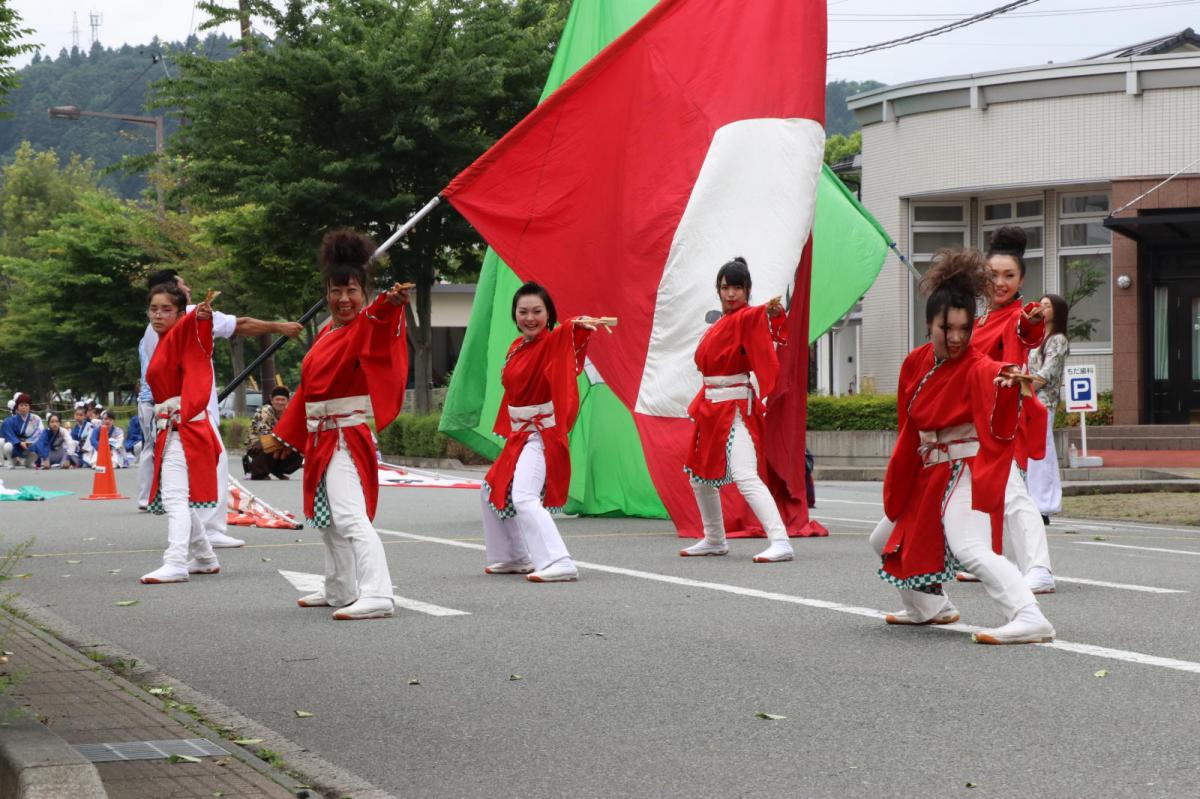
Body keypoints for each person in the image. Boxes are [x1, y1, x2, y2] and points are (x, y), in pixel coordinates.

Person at [869, 247, 1055, 645]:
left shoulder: (976, 364)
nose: (955, 338)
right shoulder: (914, 362)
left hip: (964, 467)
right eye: (946, 328)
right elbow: (908, 427)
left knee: (969, 546)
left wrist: (1009, 382)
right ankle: (929, 607)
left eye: (963, 329)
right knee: (883, 538)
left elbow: (997, 368)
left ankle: (1028, 614)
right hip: (928, 470)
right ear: (928, 325)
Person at [272, 229, 409, 620]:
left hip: (346, 435)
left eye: (352, 291)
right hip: (320, 435)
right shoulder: (326, 334)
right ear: (326, 294)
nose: (344, 298)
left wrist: (390, 303)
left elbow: (380, 319)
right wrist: (285, 435)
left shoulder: (366, 324)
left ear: (364, 294)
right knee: (328, 519)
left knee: (349, 515)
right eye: (336, 291)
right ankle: (340, 588)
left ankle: (378, 593)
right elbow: (307, 393)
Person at [135, 268, 303, 539]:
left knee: (186, 477)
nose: (187, 288)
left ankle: (199, 541)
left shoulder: (181, 321)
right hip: (188, 413)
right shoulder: (187, 318)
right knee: (204, 471)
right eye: (182, 285)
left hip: (177, 411)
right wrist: (278, 327)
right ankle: (202, 535)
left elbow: (234, 326)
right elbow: (238, 325)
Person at [480, 282, 602, 583]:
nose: (530, 318)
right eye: (523, 312)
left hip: (541, 435)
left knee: (523, 495)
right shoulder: (516, 347)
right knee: (489, 491)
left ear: (549, 315)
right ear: (515, 314)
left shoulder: (553, 344)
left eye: (537, 311)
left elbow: (567, 337)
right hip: (520, 435)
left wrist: (576, 326)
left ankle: (559, 561)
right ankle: (514, 557)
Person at [679, 256, 793, 563]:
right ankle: (715, 538)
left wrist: (770, 312)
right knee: (699, 477)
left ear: (748, 290)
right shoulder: (722, 323)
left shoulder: (744, 318)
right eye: (725, 287)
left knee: (744, 475)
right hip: (711, 408)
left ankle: (781, 540)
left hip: (734, 408)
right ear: (718, 290)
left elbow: (760, 319)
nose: (730, 294)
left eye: (737, 288)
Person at [964, 225, 1056, 595]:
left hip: (1003, 416)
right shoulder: (978, 319)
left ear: (1022, 280)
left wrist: (1033, 319)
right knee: (976, 490)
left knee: (1013, 493)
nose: (999, 283)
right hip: (972, 416)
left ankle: (1040, 568)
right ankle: (988, 558)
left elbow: (1028, 329)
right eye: (992, 275)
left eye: (1009, 276)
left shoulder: (1017, 317)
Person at [140, 283, 223, 584]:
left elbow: (200, 339)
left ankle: (175, 561)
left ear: (179, 313)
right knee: (179, 498)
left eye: (166, 310)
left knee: (175, 497)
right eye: (153, 309)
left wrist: (198, 316)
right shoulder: (163, 341)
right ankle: (204, 555)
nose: (158, 315)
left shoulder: (182, 337)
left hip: (182, 427)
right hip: (174, 427)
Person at [1026, 293, 1070, 525]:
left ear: (1057, 311)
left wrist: (1022, 385)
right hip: (1028, 398)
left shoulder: (1058, 340)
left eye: (1047, 305)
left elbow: (1047, 373)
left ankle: (1044, 504)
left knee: (1042, 451)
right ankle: (1032, 500)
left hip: (1043, 401)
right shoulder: (1036, 336)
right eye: (1040, 304)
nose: (1041, 308)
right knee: (1030, 451)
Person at [243, 386, 303, 480]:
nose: (280, 402)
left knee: (298, 450)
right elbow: (261, 428)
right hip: (257, 444)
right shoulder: (266, 410)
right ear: (272, 400)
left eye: (283, 400)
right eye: (277, 399)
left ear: (288, 401)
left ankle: (277, 470)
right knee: (270, 443)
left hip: (280, 444)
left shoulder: (289, 413)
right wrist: (281, 439)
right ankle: (257, 472)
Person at [2, 393, 48, 469]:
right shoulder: (9, 421)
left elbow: (40, 432)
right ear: (17, 407)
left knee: (38, 447)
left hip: (30, 444)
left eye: (26, 405)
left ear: (29, 407)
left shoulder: (36, 419)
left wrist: (29, 443)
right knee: (7, 446)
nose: (24, 407)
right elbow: (9, 434)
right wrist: (19, 442)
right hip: (16, 445)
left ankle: (28, 462)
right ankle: (12, 462)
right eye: (21, 405)